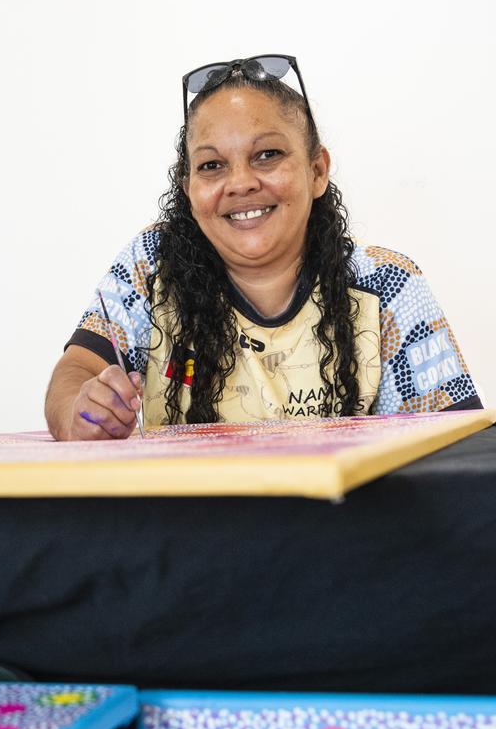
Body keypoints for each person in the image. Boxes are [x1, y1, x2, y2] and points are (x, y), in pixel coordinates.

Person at [45, 54, 481, 441]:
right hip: (185, 529)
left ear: (317, 170)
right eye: (212, 165)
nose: (240, 183)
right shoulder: (153, 264)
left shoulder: (387, 285)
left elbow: (457, 452)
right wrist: (82, 415)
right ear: (189, 189)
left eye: (267, 155)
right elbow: (76, 374)